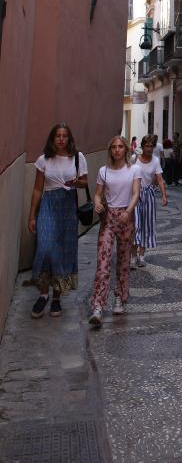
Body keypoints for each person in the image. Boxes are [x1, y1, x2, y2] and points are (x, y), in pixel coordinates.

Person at [28, 123, 88, 318]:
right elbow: (37, 189)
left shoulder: (78, 158)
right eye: (57, 136)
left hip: (68, 206)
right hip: (48, 205)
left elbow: (85, 182)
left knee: (63, 251)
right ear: (52, 139)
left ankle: (56, 297)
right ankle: (43, 294)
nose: (61, 139)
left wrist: (76, 183)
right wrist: (32, 215)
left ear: (69, 139)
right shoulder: (43, 160)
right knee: (45, 248)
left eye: (64, 136)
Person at [89, 136, 140, 327]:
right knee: (103, 262)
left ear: (126, 149)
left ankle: (119, 297)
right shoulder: (104, 171)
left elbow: (136, 193)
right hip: (109, 218)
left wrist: (128, 212)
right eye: (114, 147)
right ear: (110, 150)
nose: (117, 150)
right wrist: (96, 204)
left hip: (126, 217)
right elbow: (98, 194)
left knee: (123, 261)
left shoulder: (134, 169)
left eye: (120, 147)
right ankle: (98, 306)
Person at [131, 134, 167, 269]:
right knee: (135, 225)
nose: (149, 148)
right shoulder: (134, 160)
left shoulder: (156, 161)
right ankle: (133, 257)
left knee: (147, 225)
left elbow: (159, 179)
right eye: (147, 146)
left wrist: (164, 196)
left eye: (151, 146)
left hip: (149, 196)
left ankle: (142, 256)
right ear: (142, 146)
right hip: (135, 195)